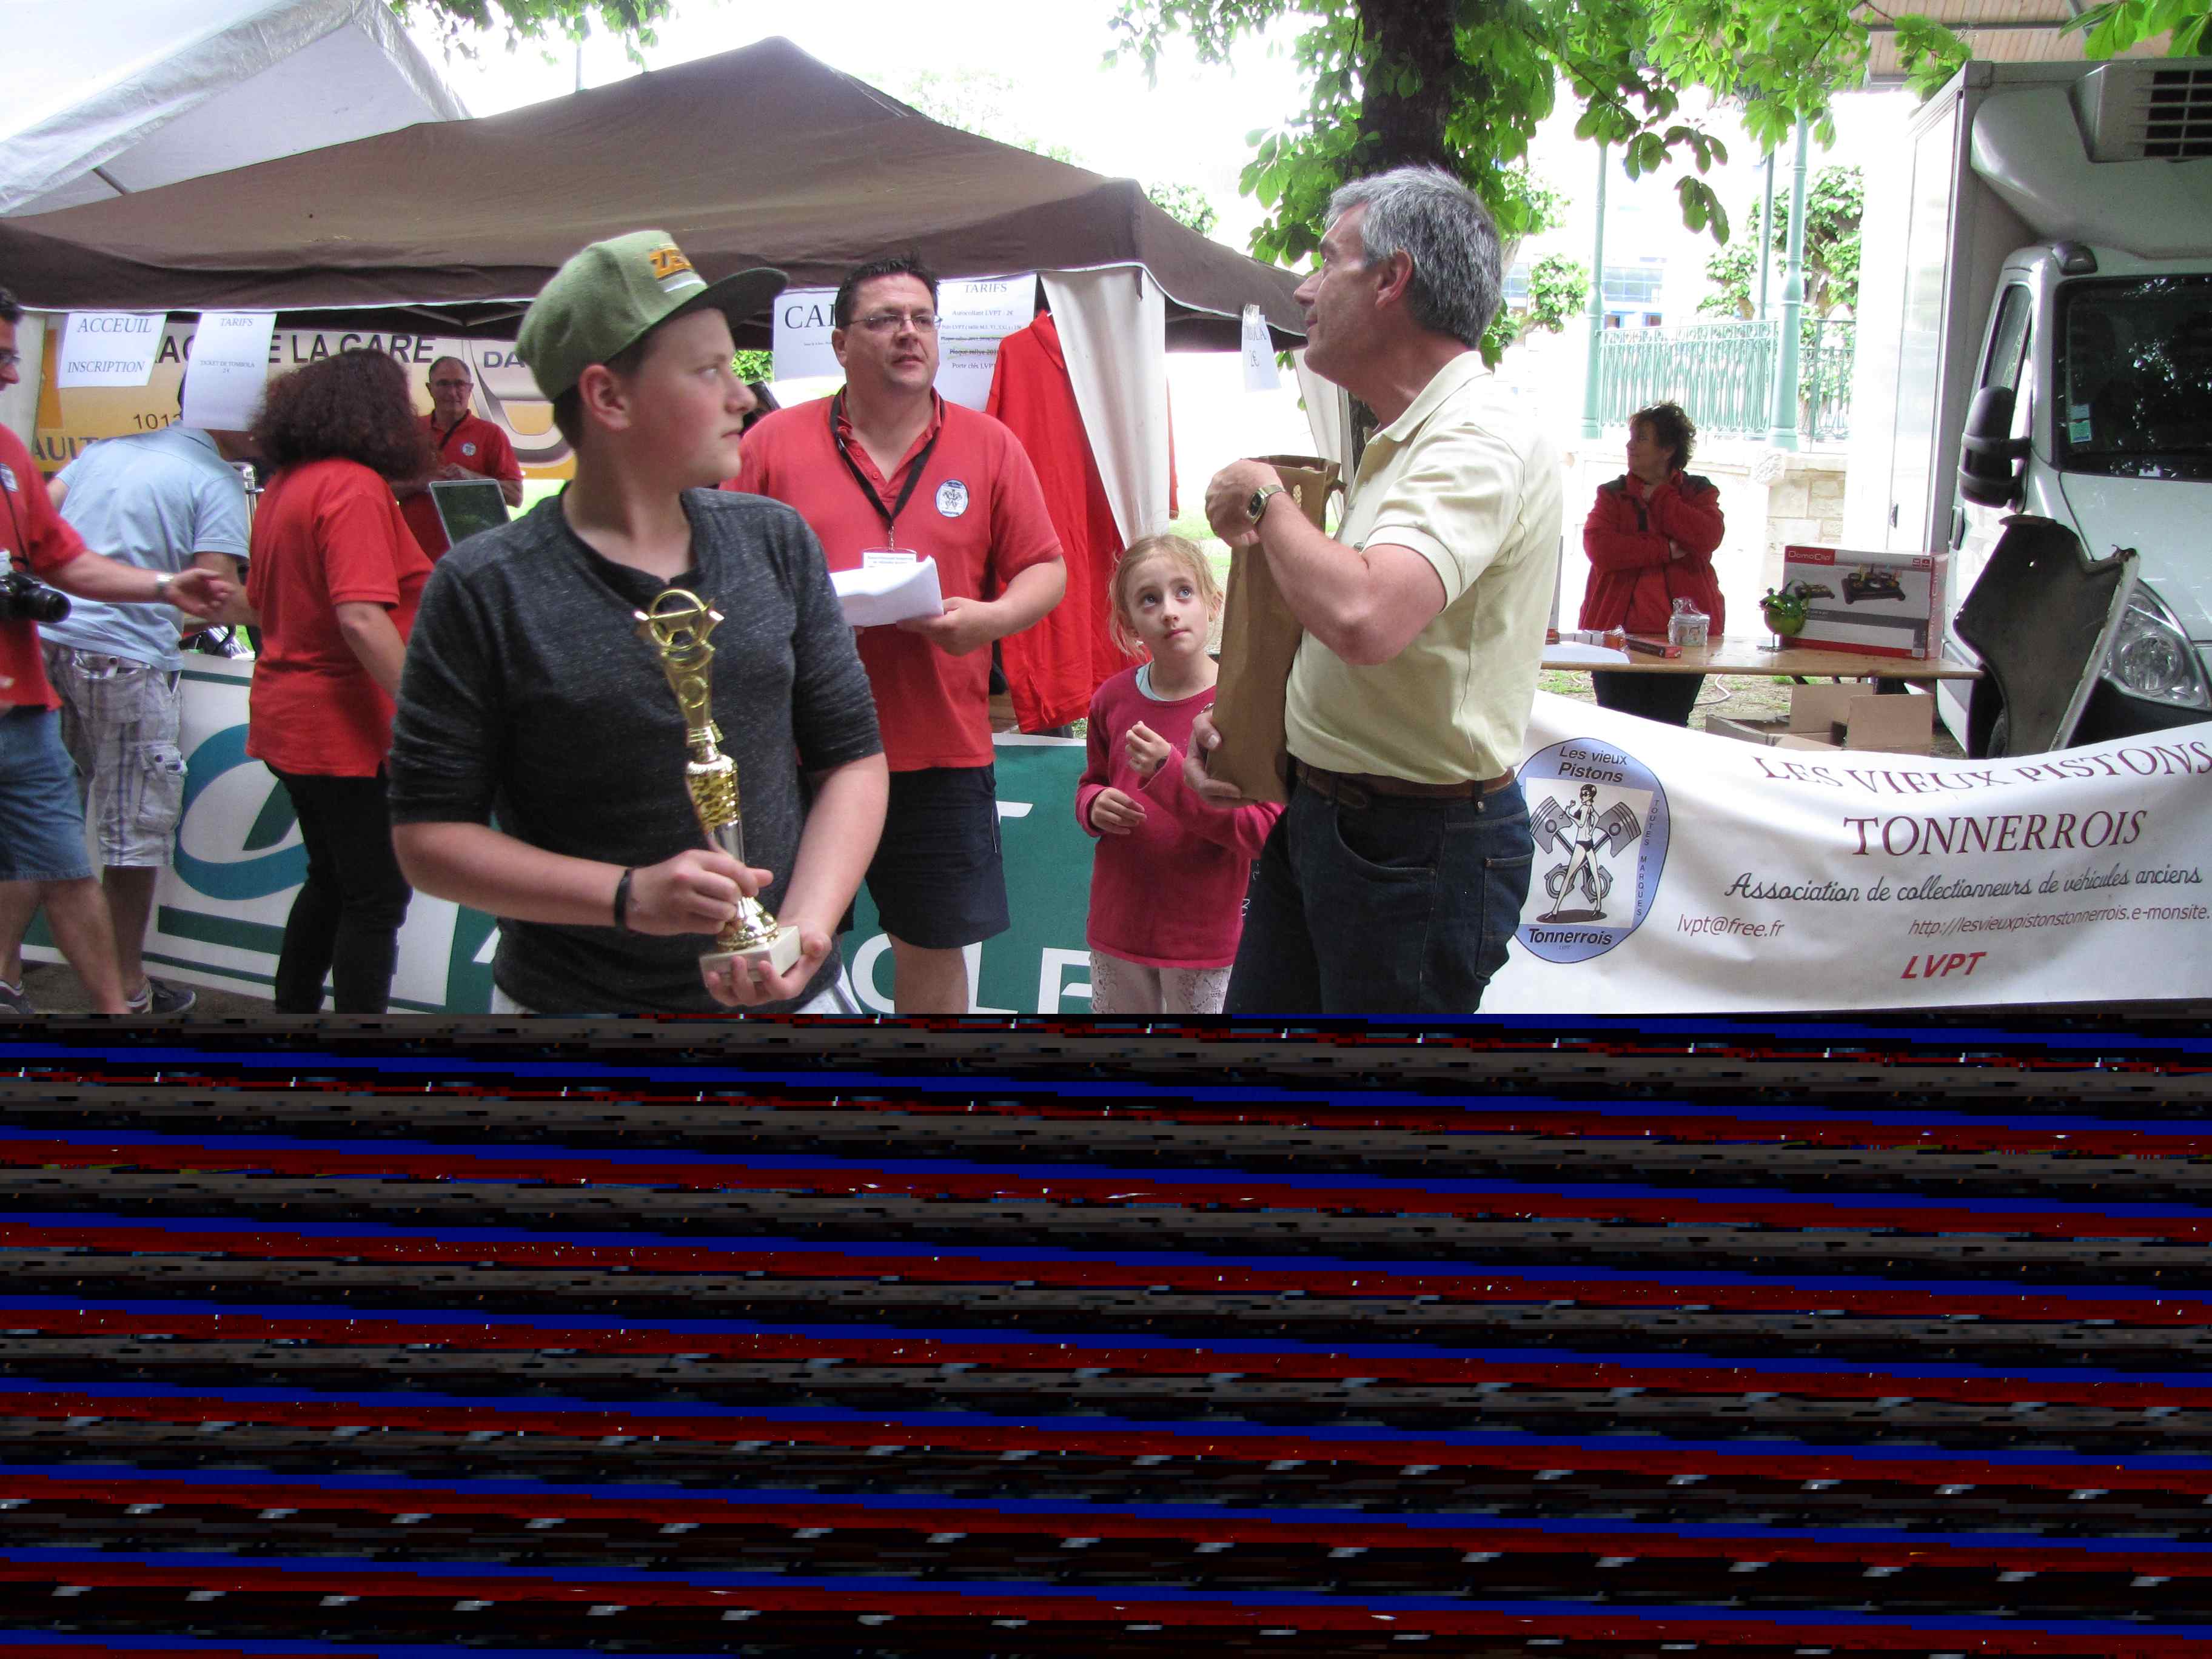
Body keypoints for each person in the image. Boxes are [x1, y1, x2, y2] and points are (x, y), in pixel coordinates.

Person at [387, 230, 887, 1016]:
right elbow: (428, 839)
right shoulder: (485, 587)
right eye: (709, 371)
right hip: (575, 1005)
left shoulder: (775, 540)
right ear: (608, 398)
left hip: (792, 997)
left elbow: (853, 759)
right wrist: (625, 896)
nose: (743, 397)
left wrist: (805, 930)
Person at [1187, 166, 1562, 1016]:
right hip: (1339, 822)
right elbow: (1354, 640)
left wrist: (1264, 494)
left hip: (1414, 849)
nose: (1304, 287)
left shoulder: (1478, 436)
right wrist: (1250, 730)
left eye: (1328, 260)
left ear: (1393, 278)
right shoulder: (1414, 433)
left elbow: (1364, 617)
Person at [731, 254, 1065, 1016]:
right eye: (885, 320)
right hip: (795, 755)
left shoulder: (990, 444)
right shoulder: (770, 444)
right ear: (841, 344)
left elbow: (1045, 569)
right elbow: (719, 571)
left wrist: (989, 622)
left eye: (922, 319)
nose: (908, 334)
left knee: (933, 950)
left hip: (938, 750)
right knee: (783, 953)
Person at [0, 286, 235, 1015]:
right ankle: (120, 987)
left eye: (14, 357)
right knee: (128, 835)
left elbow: (54, 547)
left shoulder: (59, 451)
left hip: (39, 676)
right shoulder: (213, 477)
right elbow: (222, 591)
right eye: (3, 356)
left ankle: (91, 1004)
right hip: (121, 665)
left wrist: (162, 584)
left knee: (53, 850)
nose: (13, 373)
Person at [246, 349, 434, 1014]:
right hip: (343, 729)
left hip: (288, 717)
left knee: (332, 880)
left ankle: (293, 1014)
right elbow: (360, 617)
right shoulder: (352, 486)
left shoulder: (285, 484)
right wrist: (427, 715)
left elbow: (258, 600)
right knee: (375, 898)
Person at [1076, 535, 1280, 1016]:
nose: (1169, 611)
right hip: (1118, 929)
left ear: (1214, 601)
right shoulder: (1112, 699)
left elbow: (1262, 833)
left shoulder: (1242, 705)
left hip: (1203, 939)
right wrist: (1094, 806)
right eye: (1150, 599)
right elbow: (1091, 783)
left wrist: (1168, 774)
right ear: (1129, 622)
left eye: (1183, 592)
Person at [1578, 400, 1724, 726]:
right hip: (1617, 638)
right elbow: (1601, 550)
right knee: (1617, 725)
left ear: (1668, 449)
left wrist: (1660, 496)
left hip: (1686, 640)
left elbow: (1707, 536)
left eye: (1641, 438)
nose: (1630, 446)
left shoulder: (1698, 491)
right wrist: (1665, 549)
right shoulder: (1611, 494)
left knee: (1671, 725)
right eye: (1631, 437)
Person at [393, 355, 525, 560]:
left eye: (459, 384)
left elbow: (515, 497)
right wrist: (422, 483)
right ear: (430, 388)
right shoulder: (410, 431)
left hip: (473, 559)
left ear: (470, 388)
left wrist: (471, 479)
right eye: (443, 384)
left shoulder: (491, 434)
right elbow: (386, 489)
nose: (452, 392)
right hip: (416, 556)